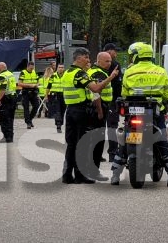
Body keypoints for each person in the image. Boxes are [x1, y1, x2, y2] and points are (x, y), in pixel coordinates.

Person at [113, 41, 168, 187]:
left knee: (123, 143)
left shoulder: (129, 71)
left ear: (137, 56)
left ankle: (115, 175)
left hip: (133, 114)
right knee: (163, 142)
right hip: (154, 114)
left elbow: (124, 93)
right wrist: (166, 99)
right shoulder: (160, 71)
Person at [61, 49, 113, 184]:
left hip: (70, 110)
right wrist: (111, 76)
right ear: (78, 59)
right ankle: (79, 175)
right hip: (80, 111)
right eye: (86, 58)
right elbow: (95, 89)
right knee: (81, 143)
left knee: (71, 144)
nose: (88, 60)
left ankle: (67, 175)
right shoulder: (79, 73)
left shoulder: (67, 72)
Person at [89, 50, 120, 173]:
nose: (109, 63)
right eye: (106, 61)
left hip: (102, 106)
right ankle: (93, 168)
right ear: (99, 61)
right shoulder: (98, 73)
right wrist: (100, 111)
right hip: (100, 106)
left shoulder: (99, 71)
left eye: (110, 61)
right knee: (98, 137)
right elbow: (96, 93)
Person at [0, 61, 19, 143]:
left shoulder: (2, 76)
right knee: (10, 118)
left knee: (4, 119)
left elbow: (2, 89)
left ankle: (6, 137)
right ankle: (10, 137)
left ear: (1, 68)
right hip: (13, 98)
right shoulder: (10, 74)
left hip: (6, 99)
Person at [18, 63, 39, 129]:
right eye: (30, 68)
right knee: (26, 108)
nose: (32, 69)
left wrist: (37, 85)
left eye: (32, 68)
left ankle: (30, 119)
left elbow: (38, 81)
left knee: (36, 106)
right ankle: (28, 123)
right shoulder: (23, 72)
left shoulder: (34, 72)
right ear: (27, 66)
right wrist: (30, 85)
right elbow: (19, 83)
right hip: (26, 92)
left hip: (33, 92)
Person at [50, 63, 67, 133]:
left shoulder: (66, 75)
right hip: (55, 95)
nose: (61, 69)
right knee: (58, 111)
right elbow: (49, 86)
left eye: (62, 67)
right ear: (57, 68)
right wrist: (46, 96)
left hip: (64, 95)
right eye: (59, 67)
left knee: (63, 110)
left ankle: (60, 123)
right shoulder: (53, 76)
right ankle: (58, 125)